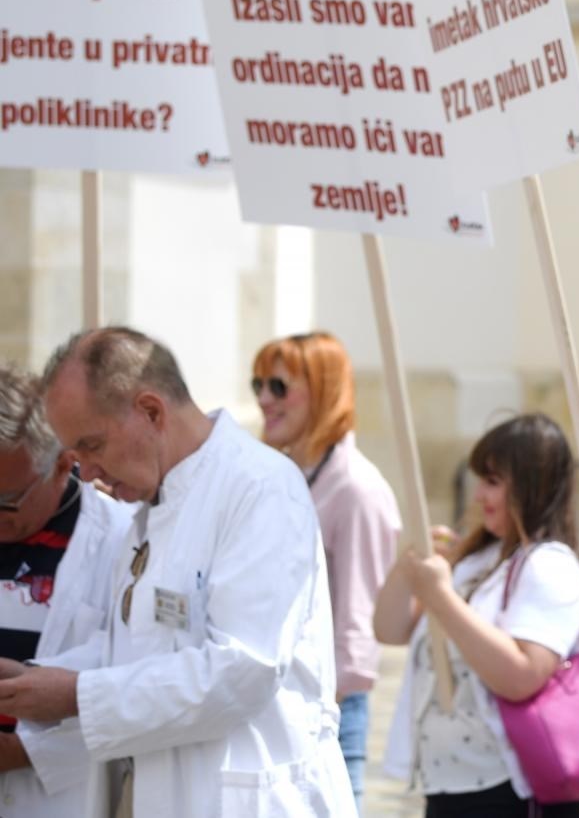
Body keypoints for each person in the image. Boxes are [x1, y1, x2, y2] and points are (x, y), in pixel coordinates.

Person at [0, 326, 352, 816]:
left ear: (150, 411)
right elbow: (138, 647)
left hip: (252, 800)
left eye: (92, 445)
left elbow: (242, 668)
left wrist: (77, 695)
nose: (88, 472)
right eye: (76, 455)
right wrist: (35, 680)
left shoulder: (259, 489)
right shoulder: (152, 507)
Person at [375, 413, 579, 818]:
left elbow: (521, 675)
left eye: (492, 482)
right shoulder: (478, 559)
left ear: (530, 486)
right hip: (451, 786)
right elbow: (389, 630)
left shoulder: (550, 566)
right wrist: (410, 564)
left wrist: (441, 597)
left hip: (512, 790)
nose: (478, 495)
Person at [252, 331, 400, 810]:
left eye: (278, 386)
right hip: (269, 700)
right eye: (257, 384)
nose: (263, 399)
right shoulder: (276, 475)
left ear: (324, 391)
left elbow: (359, 625)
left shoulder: (356, 488)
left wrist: (317, 704)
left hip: (324, 708)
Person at [0, 361, 131, 818]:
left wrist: (25, 751)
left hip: (58, 799)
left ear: (62, 462)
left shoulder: (123, 541)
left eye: (6, 501)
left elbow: (137, 682)